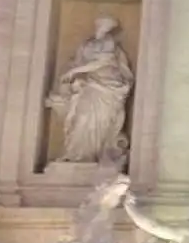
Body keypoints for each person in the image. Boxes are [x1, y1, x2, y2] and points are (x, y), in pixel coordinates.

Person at [46, 17, 134, 164]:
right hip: (90, 85)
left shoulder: (108, 42)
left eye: (107, 25)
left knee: (97, 121)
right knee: (81, 118)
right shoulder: (88, 43)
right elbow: (78, 61)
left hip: (106, 86)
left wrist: (74, 71)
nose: (103, 27)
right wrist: (74, 75)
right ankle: (75, 154)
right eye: (102, 24)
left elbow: (102, 62)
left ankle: (91, 156)